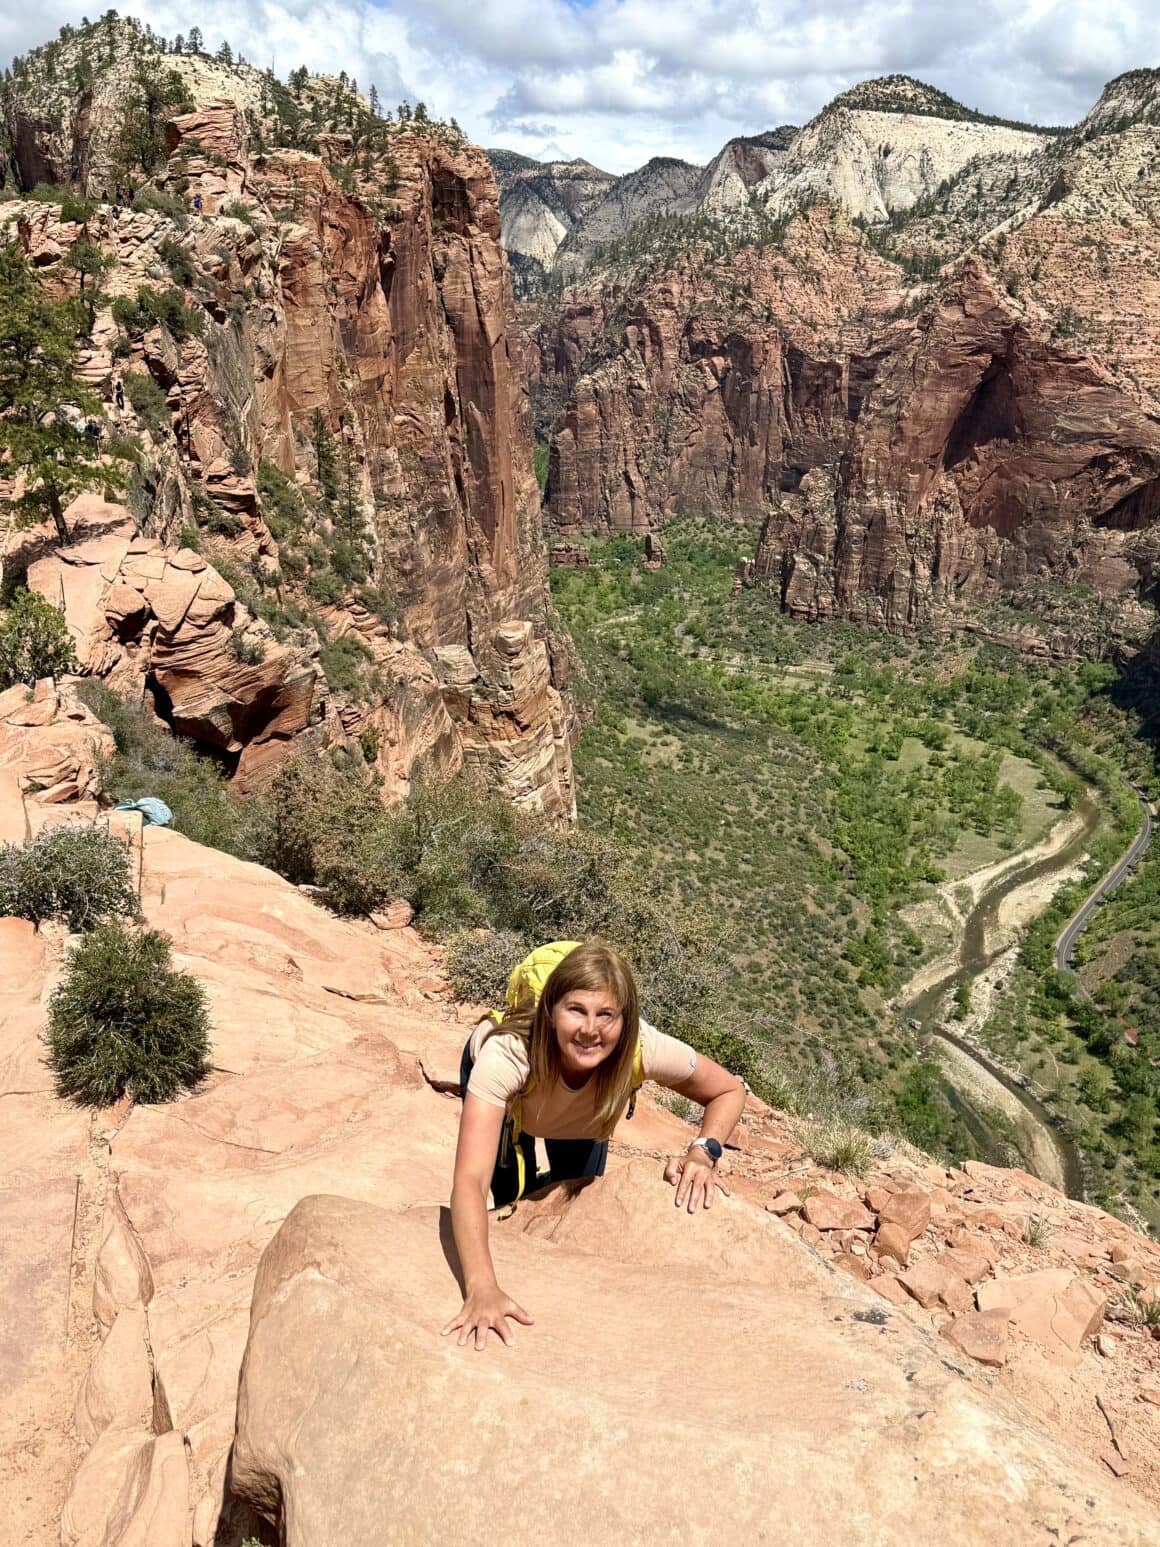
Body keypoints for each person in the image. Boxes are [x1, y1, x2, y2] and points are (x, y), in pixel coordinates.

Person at [442, 940, 747, 1352]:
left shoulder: (642, 1048)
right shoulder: (508, 1055)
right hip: (517, 1105)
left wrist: (703, 1150)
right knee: (502, 1199)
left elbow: (728, 1089)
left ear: (626, 1021)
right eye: (576, 1010)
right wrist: (481, 1288)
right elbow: (470, 1179)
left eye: (607, 1015)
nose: (590, 1030)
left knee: (572, 1205)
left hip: (581, 1118)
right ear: (550, 1011)